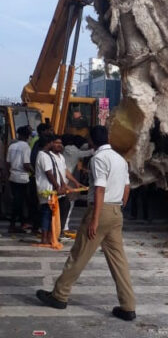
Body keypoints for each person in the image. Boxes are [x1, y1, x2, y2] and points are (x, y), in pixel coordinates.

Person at [37, 126, 136, 322]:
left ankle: (59, 295)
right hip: (116, 212)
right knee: (119, 261)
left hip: (100, 210)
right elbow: (127, 188)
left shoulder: (98, 159)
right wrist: (118, 209)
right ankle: (128, 306)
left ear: (91, 140)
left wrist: (95, 219)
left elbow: (99, 189)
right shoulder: (120, 159)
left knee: (79, 255)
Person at [38, 136, 83, 239]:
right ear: (50, 143)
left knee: (64, 206)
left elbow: (62, 172)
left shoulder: (60, 157)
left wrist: (70, 183)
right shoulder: (46, 156)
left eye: (60, 143)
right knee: (48, 212)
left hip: (58, 189)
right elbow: (49, 173)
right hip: (49, 189)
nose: (59, 145)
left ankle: (57, 232)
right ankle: (46, 237)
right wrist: (58, 187)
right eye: (56, 143)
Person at [5, 126, 34, 233]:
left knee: (18, 200)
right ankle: (14, 224)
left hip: (13, 176)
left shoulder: (12, 146)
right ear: (27, 136)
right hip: (23, 177)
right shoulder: (26, 147)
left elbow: (7, 163)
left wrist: (9, 173)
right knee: (20, 202)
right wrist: (34, 172)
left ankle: (21, 223)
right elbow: (26, 164)